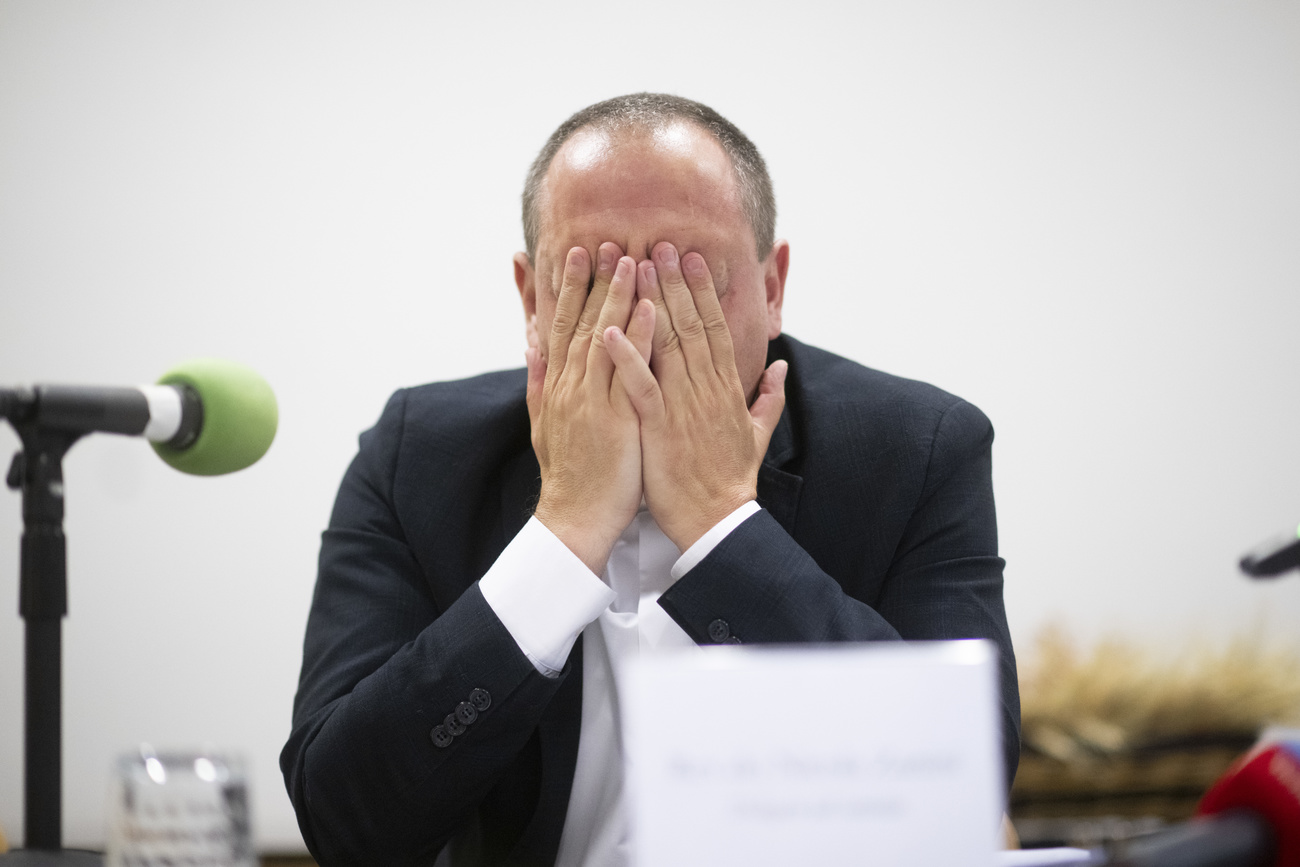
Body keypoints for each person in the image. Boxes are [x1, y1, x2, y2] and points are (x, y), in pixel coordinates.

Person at [281, 92, 1020, 867]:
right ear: (532, 301)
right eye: (592, 281)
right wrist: (560, 536)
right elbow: (344, 822)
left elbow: (965, 788)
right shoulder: (417, 455)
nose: (646, 322)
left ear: (773, 288)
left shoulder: (916, 448)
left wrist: (722, 524)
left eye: (692, 278)